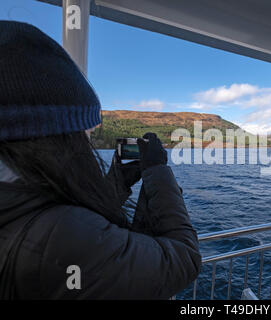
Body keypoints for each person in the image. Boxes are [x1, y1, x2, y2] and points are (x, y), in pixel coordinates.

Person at [0, 21, 201, 299]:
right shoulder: (58, 235)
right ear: (59, 135)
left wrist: (117, 181)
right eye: (85, 134)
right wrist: (157, 170)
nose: (88, 143)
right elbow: (183, 259)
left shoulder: (21, 207)